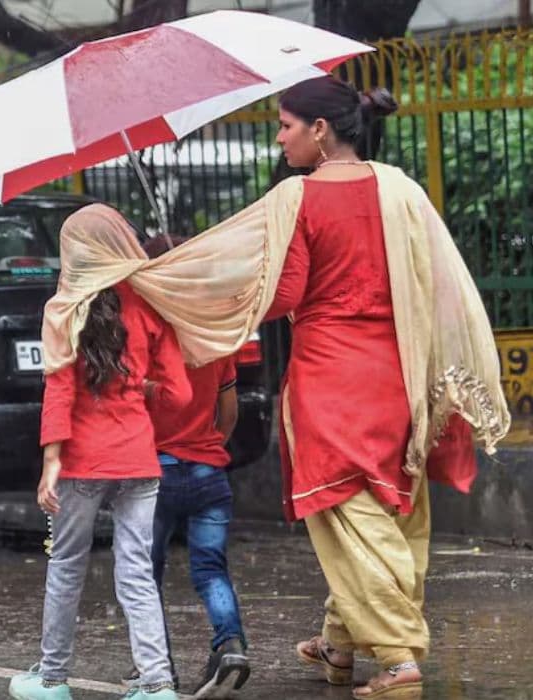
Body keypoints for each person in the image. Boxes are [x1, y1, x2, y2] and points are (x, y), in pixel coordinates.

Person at [109, 74, 505, 700]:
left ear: (319, 130)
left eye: (285, 124)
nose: (279, 136)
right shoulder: (401, 188)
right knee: (389, 506)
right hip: (399, 374)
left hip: (330, 378)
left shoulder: (298, 198)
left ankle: (399, 656)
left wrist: (191, 290)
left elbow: (286, 294)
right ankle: (338, 646)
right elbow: (433, 280)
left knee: (346, 510)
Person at [9, 204, 192, 700]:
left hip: (81, 461)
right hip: (138, 458)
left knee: (67, 564)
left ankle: (51, 680)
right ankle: (157, 685)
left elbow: (60, 392)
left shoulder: (65, 308)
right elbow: (179, 394)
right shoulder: (151, 304)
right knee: (136, 574)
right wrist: (141, 392)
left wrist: (51, 462)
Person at [147, 354, 249, 699]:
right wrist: (205, 450)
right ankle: (231, 645)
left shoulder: (147, 346)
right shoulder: (216, 345)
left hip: (155, 473)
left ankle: (156, 666)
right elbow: (230, 414)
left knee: (145, 575)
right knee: (211, 570)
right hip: (209, 473)